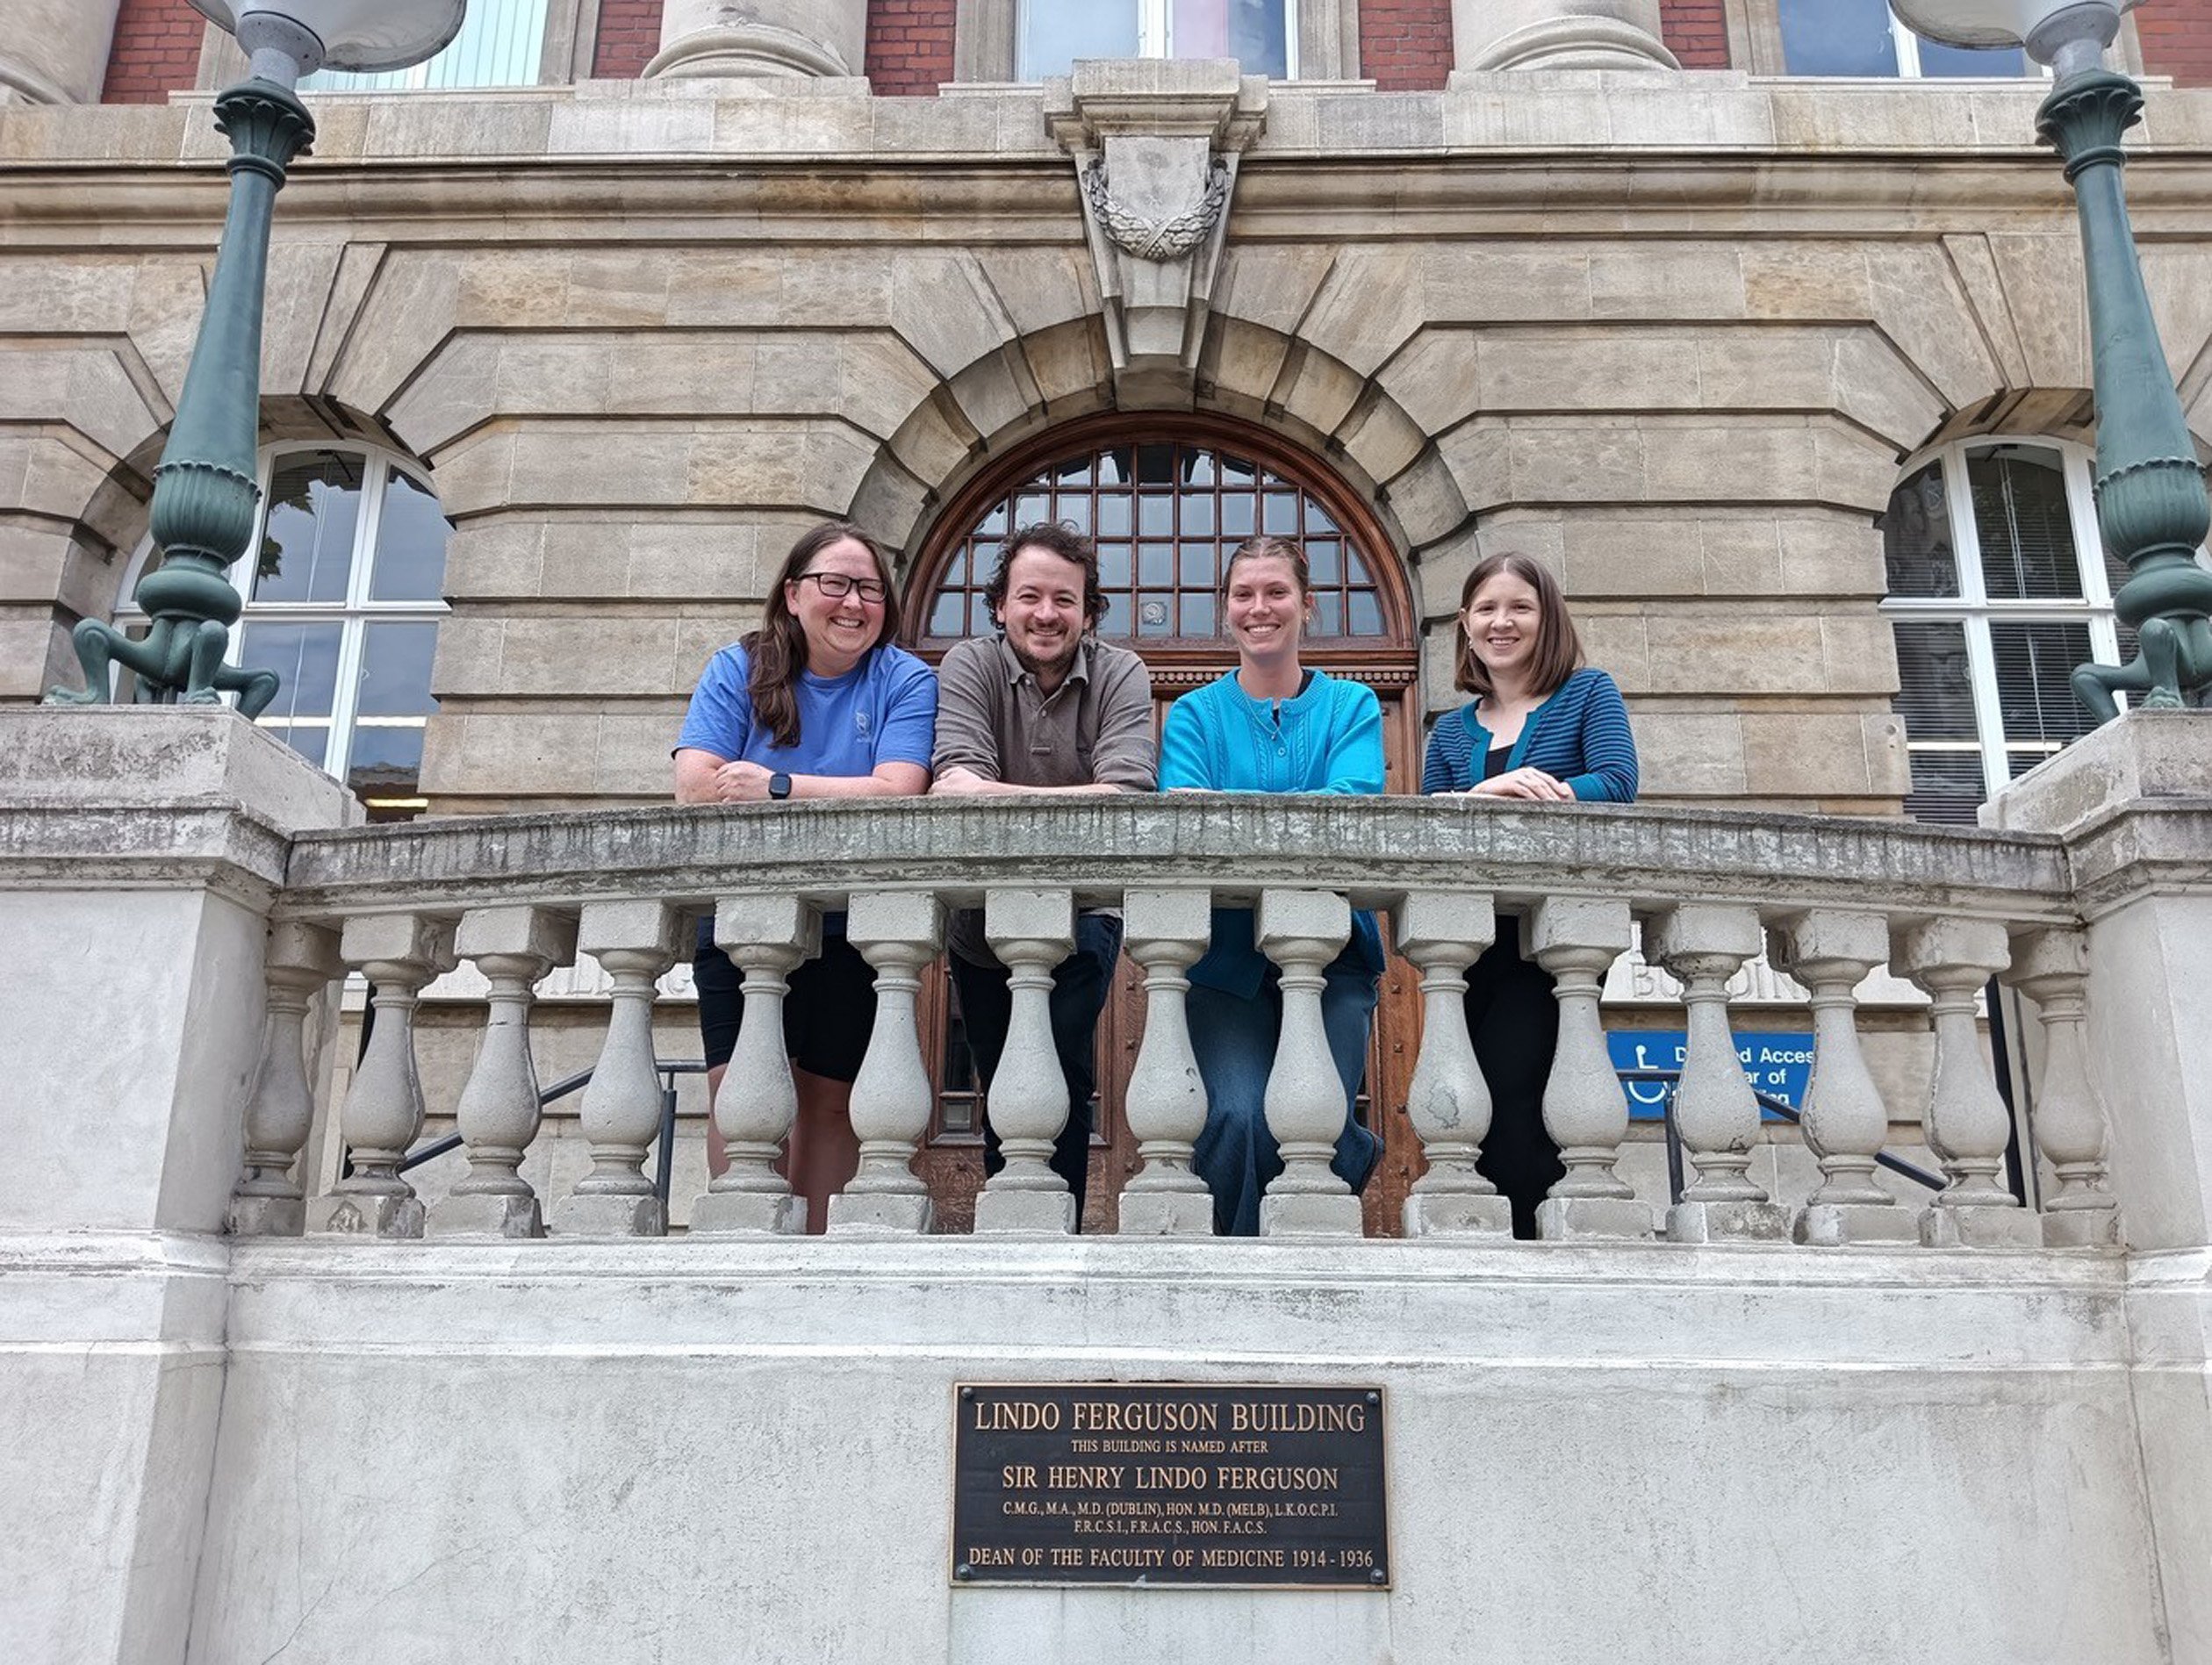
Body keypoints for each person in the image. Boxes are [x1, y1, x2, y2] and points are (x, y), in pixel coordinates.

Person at [673, 520, 937, 1231]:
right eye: (835, 583)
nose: (853, 603)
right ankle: (744, 1250)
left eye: (870, 589)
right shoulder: (739, 668)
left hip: (857, 922)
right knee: (739, 1095)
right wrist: (843, 790)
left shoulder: (904, 679)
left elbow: (899, 791)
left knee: (831, 1100)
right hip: (739, 919)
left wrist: (776, 785)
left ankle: (814, 1251)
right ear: (793, 594)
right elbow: (695, 785)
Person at [930, 522, 1158, 1226]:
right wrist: (1075, 797)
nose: (1046, 613)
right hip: (979, 924)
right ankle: (1012, 1225)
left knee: (1064, 1066)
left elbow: (1129, 795)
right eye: (1029, 596)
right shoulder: (969, 665)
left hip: (1088, 915)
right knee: (999, 1073)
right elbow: (953, 790)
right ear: (1001, 605)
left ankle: (1056, 1227)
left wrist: (992, 792)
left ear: (1088, 613)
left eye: (1065, 599)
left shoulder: (1121, 672)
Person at [1158, 534, 1385, 1236]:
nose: (1260, 607)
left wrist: (1229, 811)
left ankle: (1307, 1246)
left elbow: (1351, 806)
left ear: (1307, 605)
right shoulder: (1194, 715)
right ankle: (1235, 1267)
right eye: (1244, 594)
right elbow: (1186, 825)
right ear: (1226, 609)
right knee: (1235, 1115)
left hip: (1334, 959)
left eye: (1276, 591)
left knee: (1314, 1126)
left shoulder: (1352, 707)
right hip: (1222, 964)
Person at [1421, 550, 1639, 1238]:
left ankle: (1536, 1246)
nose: (1502, 622)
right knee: (1470, 1104)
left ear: (1548, 618)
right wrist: (1486, 790)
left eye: (1520, 606)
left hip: (1550, 946)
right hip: (1466, 949)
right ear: (1465, 623)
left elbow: (1618, 782)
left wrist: (1542, 793)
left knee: (1523, 1097)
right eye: (1487, 608)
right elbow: (1424, 825)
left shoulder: (1587, 693)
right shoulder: (1450, 730)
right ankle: (1488, 1245)